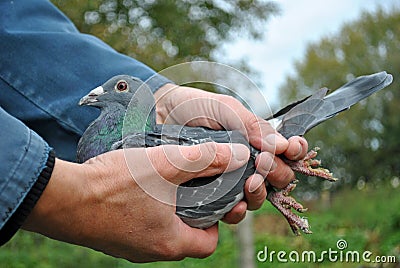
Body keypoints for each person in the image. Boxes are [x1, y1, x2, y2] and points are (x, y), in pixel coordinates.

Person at [0, 0, 308, 262]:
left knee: (250, 168)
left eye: (119, 87)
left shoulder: (148, 150)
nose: (95, 93)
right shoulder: (132, 154)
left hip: (241, 151)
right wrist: (71, 195)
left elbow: (11, 23)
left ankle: (268, 159)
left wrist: (161, 95)